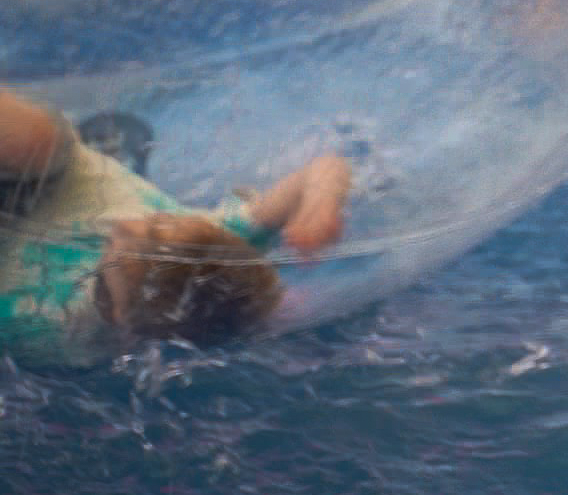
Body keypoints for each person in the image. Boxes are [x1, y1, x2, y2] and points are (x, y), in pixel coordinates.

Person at [0, 83, 351, 365]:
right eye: (157, 225)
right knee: (38, 142)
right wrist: (319, 207)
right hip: (60, 174)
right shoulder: (208, 247)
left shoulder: (47, 326)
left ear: (123, 316)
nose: (126, 227)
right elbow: (325, 167)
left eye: (129, 248)